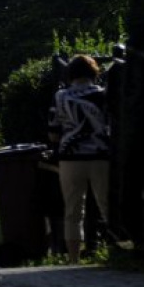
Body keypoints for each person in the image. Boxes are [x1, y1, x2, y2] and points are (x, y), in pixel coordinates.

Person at [50, 55, 110, 264]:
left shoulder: (60, 96)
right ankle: (114, 251)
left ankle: (74, 259)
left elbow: (53, 132)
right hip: (100, 156)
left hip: (70, 158)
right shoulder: (103, 95)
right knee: (106, 205)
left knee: (73, 210)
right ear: (93, 72)